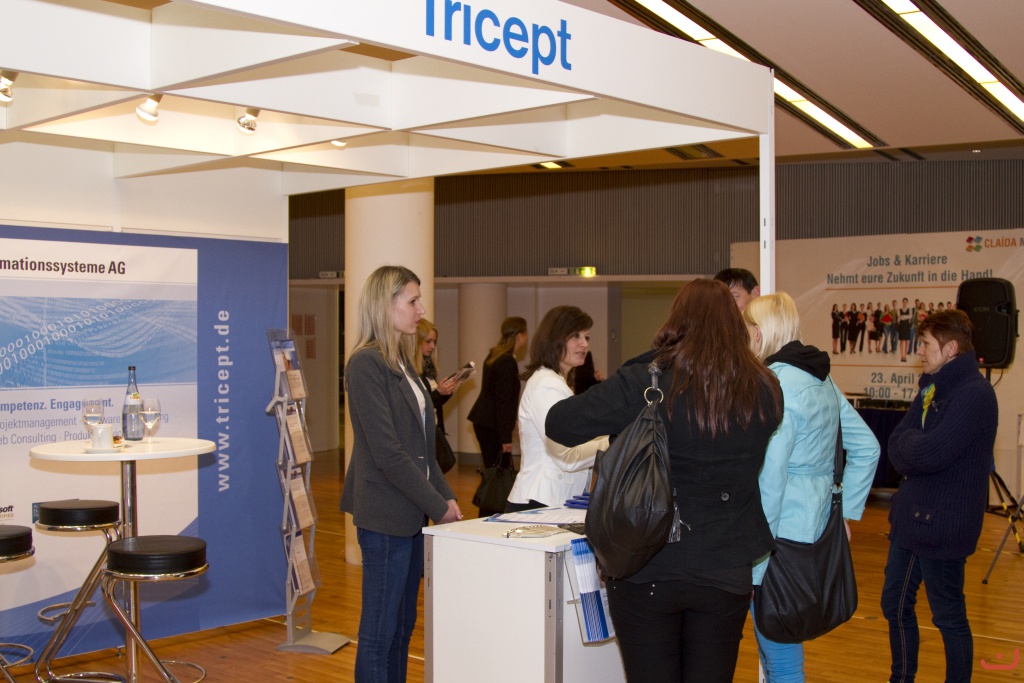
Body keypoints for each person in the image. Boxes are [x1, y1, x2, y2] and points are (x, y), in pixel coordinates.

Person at [546, 279, 784, 683]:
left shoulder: (646, 380)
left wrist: (654, 359)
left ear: (676, 323)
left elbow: (560, 423)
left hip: (646, 561)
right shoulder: (764, 387)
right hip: (726, 564)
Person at [743, 293, 881, 683]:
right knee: (781, 645)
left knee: (781, 654)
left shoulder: (777, 385)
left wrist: (755, 567)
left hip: (778, 538)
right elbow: (867, 447)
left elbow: (771, 481)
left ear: (758, 334)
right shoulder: (819, 378)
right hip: (816, 528)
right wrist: (846, 512)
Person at [340, 265, 462, 683]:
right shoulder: (365, 364)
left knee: (402, 629)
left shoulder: (404, 364)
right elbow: (388, 453)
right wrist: (436, 505)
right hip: (385, 516)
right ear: (385, 304)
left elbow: (424, 450)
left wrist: (445, 497)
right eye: (412, 301)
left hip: (411, 515)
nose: (421, 309)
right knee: (379, 633)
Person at [881, 309, 998, 683]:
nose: (919, 351)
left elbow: (933, 453)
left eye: (925, 344)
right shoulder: (930, 387)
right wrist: (916, 447)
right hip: (910, 521)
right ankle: (901, 678)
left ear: (950, 349)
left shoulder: (975, 394)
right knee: (894, 605)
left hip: (945, 525)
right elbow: (895, 445)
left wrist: (915, 447)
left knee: (948, 615)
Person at [505, 306, 609, 512]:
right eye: (576, 336)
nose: (584, 344)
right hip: (540, 501)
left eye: (586, 337)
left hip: (553, 499)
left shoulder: (556, 383)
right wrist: (612, 441)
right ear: (554, 339)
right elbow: (566, 455)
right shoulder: (547, 385)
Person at [467, 316, 528, 514]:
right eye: (525, 333)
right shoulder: (506, 361)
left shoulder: (495, 355)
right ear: (519, 335)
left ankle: (491, 512)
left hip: (484, 422)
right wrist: (505, 438)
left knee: (494, 472)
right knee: (498, 475)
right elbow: (503, 401)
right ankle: (490, 512)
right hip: (492, 425)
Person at [414, 318, 464, 436]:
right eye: (428, 341)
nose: (432, 346)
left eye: (434, 342)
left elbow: (435, 402)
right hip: (421, 433)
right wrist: (439, 393)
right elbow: (417, 405)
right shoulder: (410, 370)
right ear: (416, 341)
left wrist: (447, 391)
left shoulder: (428, 368)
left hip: (434, 430)